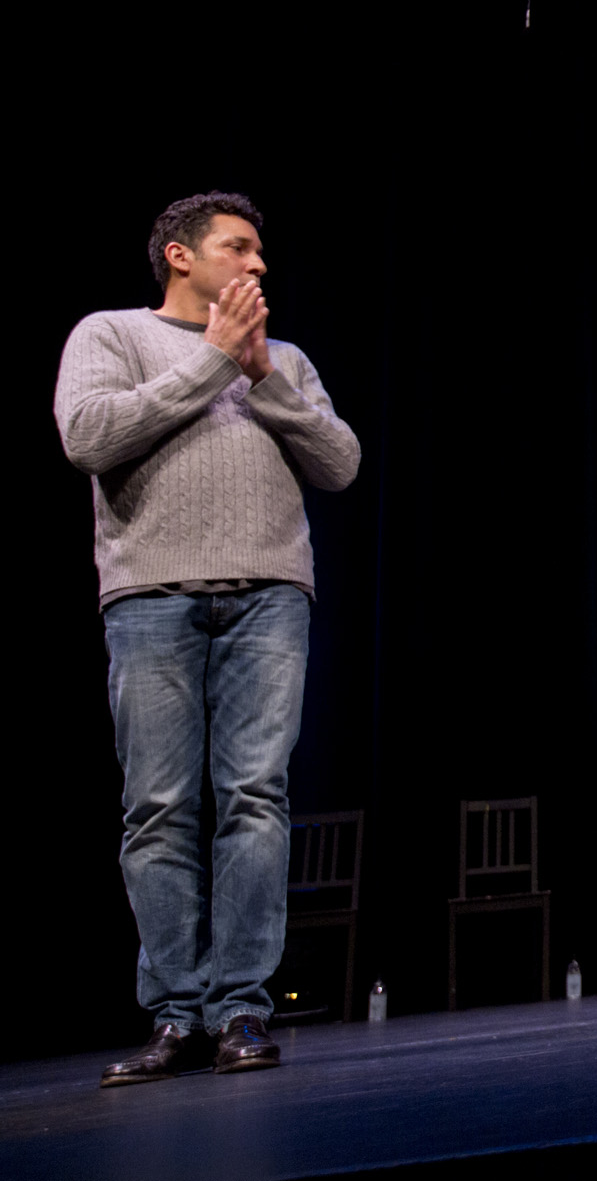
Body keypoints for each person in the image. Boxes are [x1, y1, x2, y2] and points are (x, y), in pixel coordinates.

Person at [56, 193, 361, 1087]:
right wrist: (212, 365)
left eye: (262, 252)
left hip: (270, 594)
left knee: (255, 800)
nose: (259, 265)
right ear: (181, 257)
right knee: (157, 808)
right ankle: (175, 1014)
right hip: (150, 594)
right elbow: (89, 437)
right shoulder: (109, 334)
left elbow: (340, 464)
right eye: (241, 248)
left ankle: (239, 1010)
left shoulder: (286, 360)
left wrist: (260, 375)